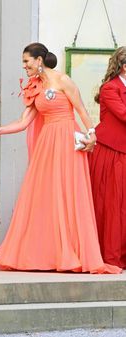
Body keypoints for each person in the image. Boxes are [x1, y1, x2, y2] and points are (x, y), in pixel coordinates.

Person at [0, 42, 122, 274]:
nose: (24, 66)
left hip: (67, 142)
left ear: (38, 60)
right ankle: (46, 253)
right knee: (43, 195)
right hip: (47, 145)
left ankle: (71, 253)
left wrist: (92, 135)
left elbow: (81, 110)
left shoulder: (63, 80)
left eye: (26, 61)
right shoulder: (34, 87)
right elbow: (23, 122)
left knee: (69, 194)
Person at [88, 46, 126, 269]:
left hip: (121, 151)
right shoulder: (109, 88)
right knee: (112, 205)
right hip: (111, 153)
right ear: (124, 67)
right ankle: (110, 255)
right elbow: (123, 114)